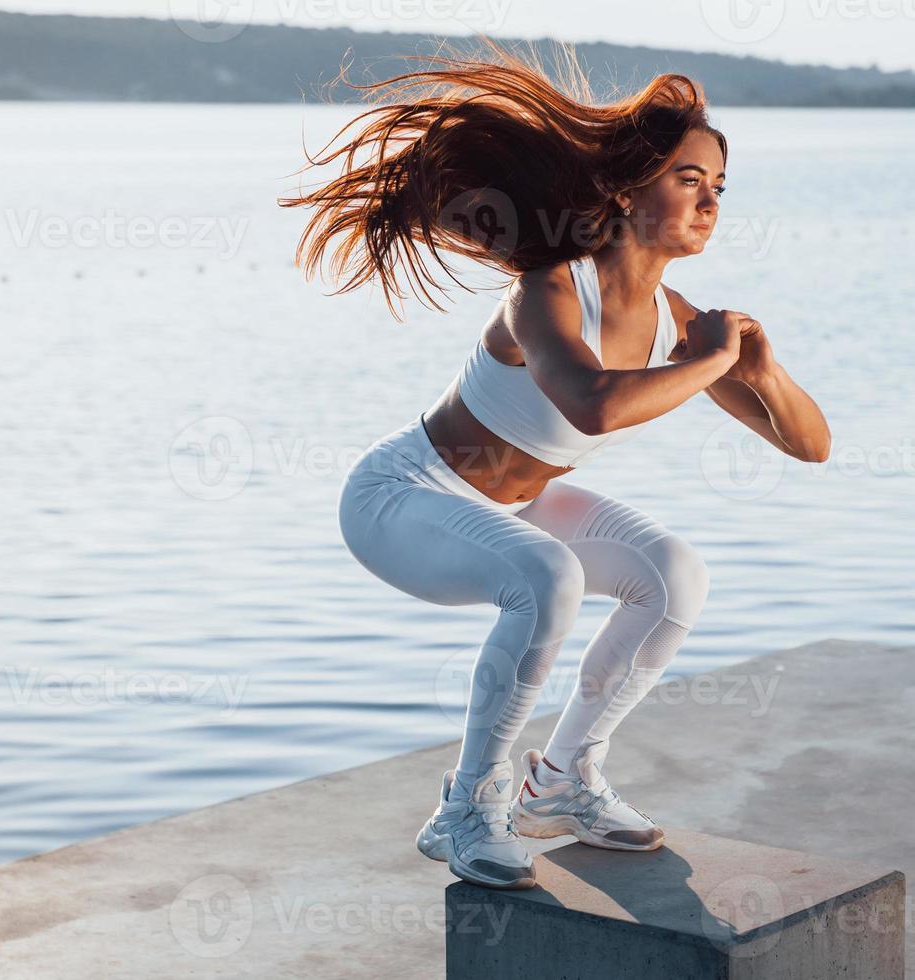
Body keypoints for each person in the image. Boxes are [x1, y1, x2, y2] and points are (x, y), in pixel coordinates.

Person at [280, 38, 830, 890]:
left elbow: (810, 443)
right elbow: (595, 402)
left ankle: (564, 779)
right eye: (690, 179)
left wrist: (762, 367)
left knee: (674, 574)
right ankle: (468, 806)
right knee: (547, 576)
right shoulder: (547, 289)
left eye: (719, 186)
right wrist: (715, 363)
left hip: (514, 507)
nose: (711, 201)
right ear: (626, 188)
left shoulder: (677, 319)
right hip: (402, 497)